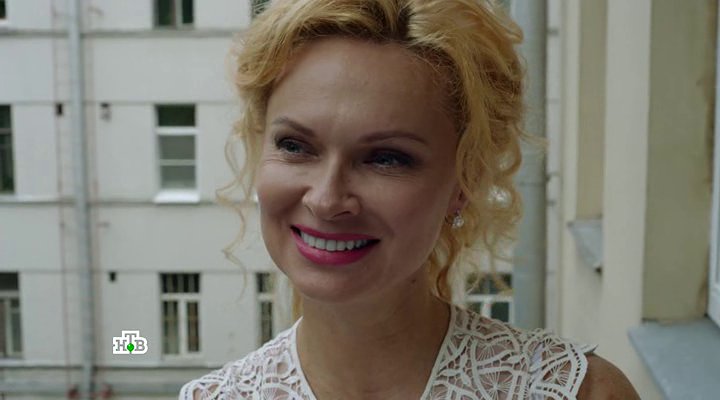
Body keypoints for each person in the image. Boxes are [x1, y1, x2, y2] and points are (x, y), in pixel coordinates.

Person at [180, 0, 640, 399]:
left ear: (464, 182)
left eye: (386, 158)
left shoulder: (577, 392)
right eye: (295, 146)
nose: (326, 199)